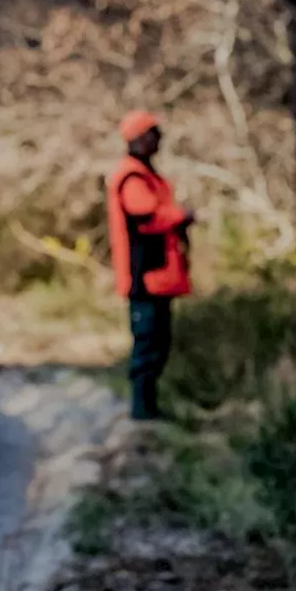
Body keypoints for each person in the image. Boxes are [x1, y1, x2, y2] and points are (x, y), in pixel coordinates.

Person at [106, 110, 196, 421]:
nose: (159, 140)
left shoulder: (144, 173)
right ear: (139, 139)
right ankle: (142, 411)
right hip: (144, 277)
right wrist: (181, 216)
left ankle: (148, 408)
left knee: (158, 342)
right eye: (153, 134)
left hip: (156, 277)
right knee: (147, 344)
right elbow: (145, 215)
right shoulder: (132, 176)